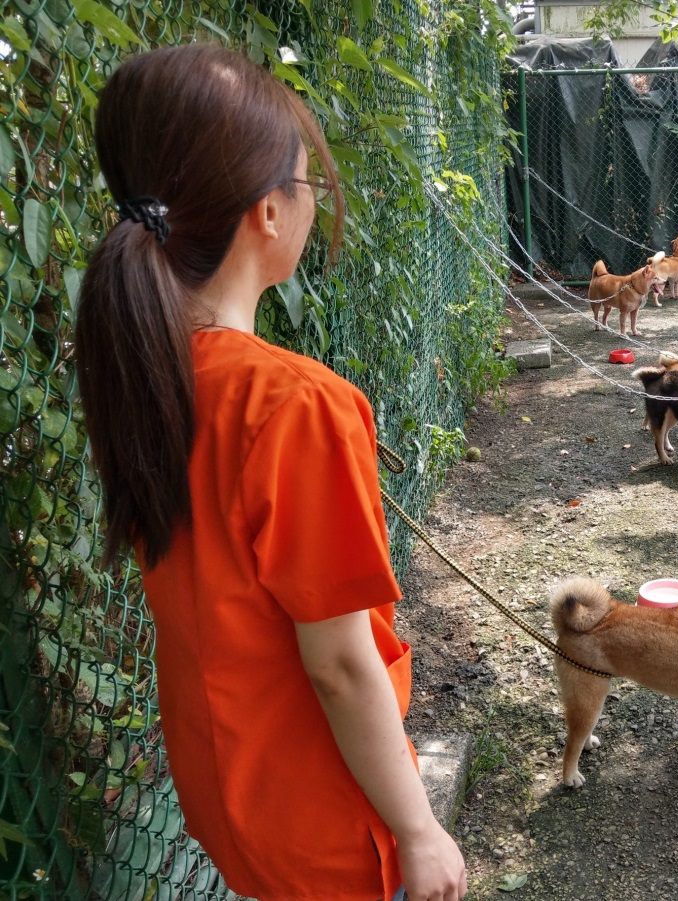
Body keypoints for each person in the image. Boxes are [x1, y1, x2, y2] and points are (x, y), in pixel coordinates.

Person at [73, 45, 466, 901]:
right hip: (328, 820)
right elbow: (339, 663)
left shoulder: (140, 366)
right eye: (307, 181)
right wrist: (419, 829)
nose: (313, 198)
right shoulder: (295, 404)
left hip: (230, 792)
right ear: (265, 213)